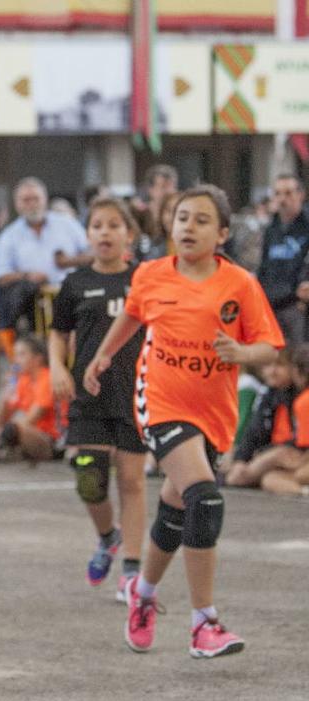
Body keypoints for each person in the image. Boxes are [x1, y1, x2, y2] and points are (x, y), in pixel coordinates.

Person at [84, 184, 283, 658]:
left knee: (176, 513)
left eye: (200, 220)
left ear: (223, 233)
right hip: (161, 401)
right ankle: (204, 623)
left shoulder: (240, 284)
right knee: (205, 500)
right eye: (181, 218)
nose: (188, 227)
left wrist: (241, 352)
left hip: (213, 414)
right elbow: (132, 315)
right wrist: (103, 356)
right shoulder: (152, 275)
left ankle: (144, 595)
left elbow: (268, 345)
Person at [49, 198, 147, 600]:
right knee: (90, 477)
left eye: (113, 225)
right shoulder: (75, 283)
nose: (105, 232)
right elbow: (58, 331)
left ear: (129, 234)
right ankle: (108, 537)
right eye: (97, 226)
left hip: (135, 392)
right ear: (87, 234)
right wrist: (57, 367)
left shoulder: (144, 280)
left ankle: (132, 571)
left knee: (132, 481)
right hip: (89, 392)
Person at [0, 177, 89, 358]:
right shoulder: (9, 236)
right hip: (35, 309)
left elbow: (93, 254)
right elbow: (0, 274)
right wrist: (27, 275)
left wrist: (70, 261)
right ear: (17, 204)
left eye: (35, 198)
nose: (31, 204)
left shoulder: (67, 225)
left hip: (73, 300)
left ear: (45, 199)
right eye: (26, 200)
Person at [224, 350, 296, 488]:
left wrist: (262, 454)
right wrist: (240, 460)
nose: (272, 371)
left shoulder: (298, 395)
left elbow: (298, 437)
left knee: (242, 476)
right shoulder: (268, 393)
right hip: (270, 450)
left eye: (280, 366)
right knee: (228, 460)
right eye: (268, 366)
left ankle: (243, 477)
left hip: (288, 452)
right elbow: (254, 431)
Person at [257, 173, 309, 346]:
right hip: (271, 305)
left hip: (298, 307)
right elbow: (264, 267)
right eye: (278, 193)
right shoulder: (271, 229)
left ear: (300, 195)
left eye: (288, 193)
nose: (282, 199)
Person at [254, 345, 309, 496]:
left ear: (298, 373)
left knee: (272, 478)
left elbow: (305, 447)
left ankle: (302, 491)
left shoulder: (304, 401)